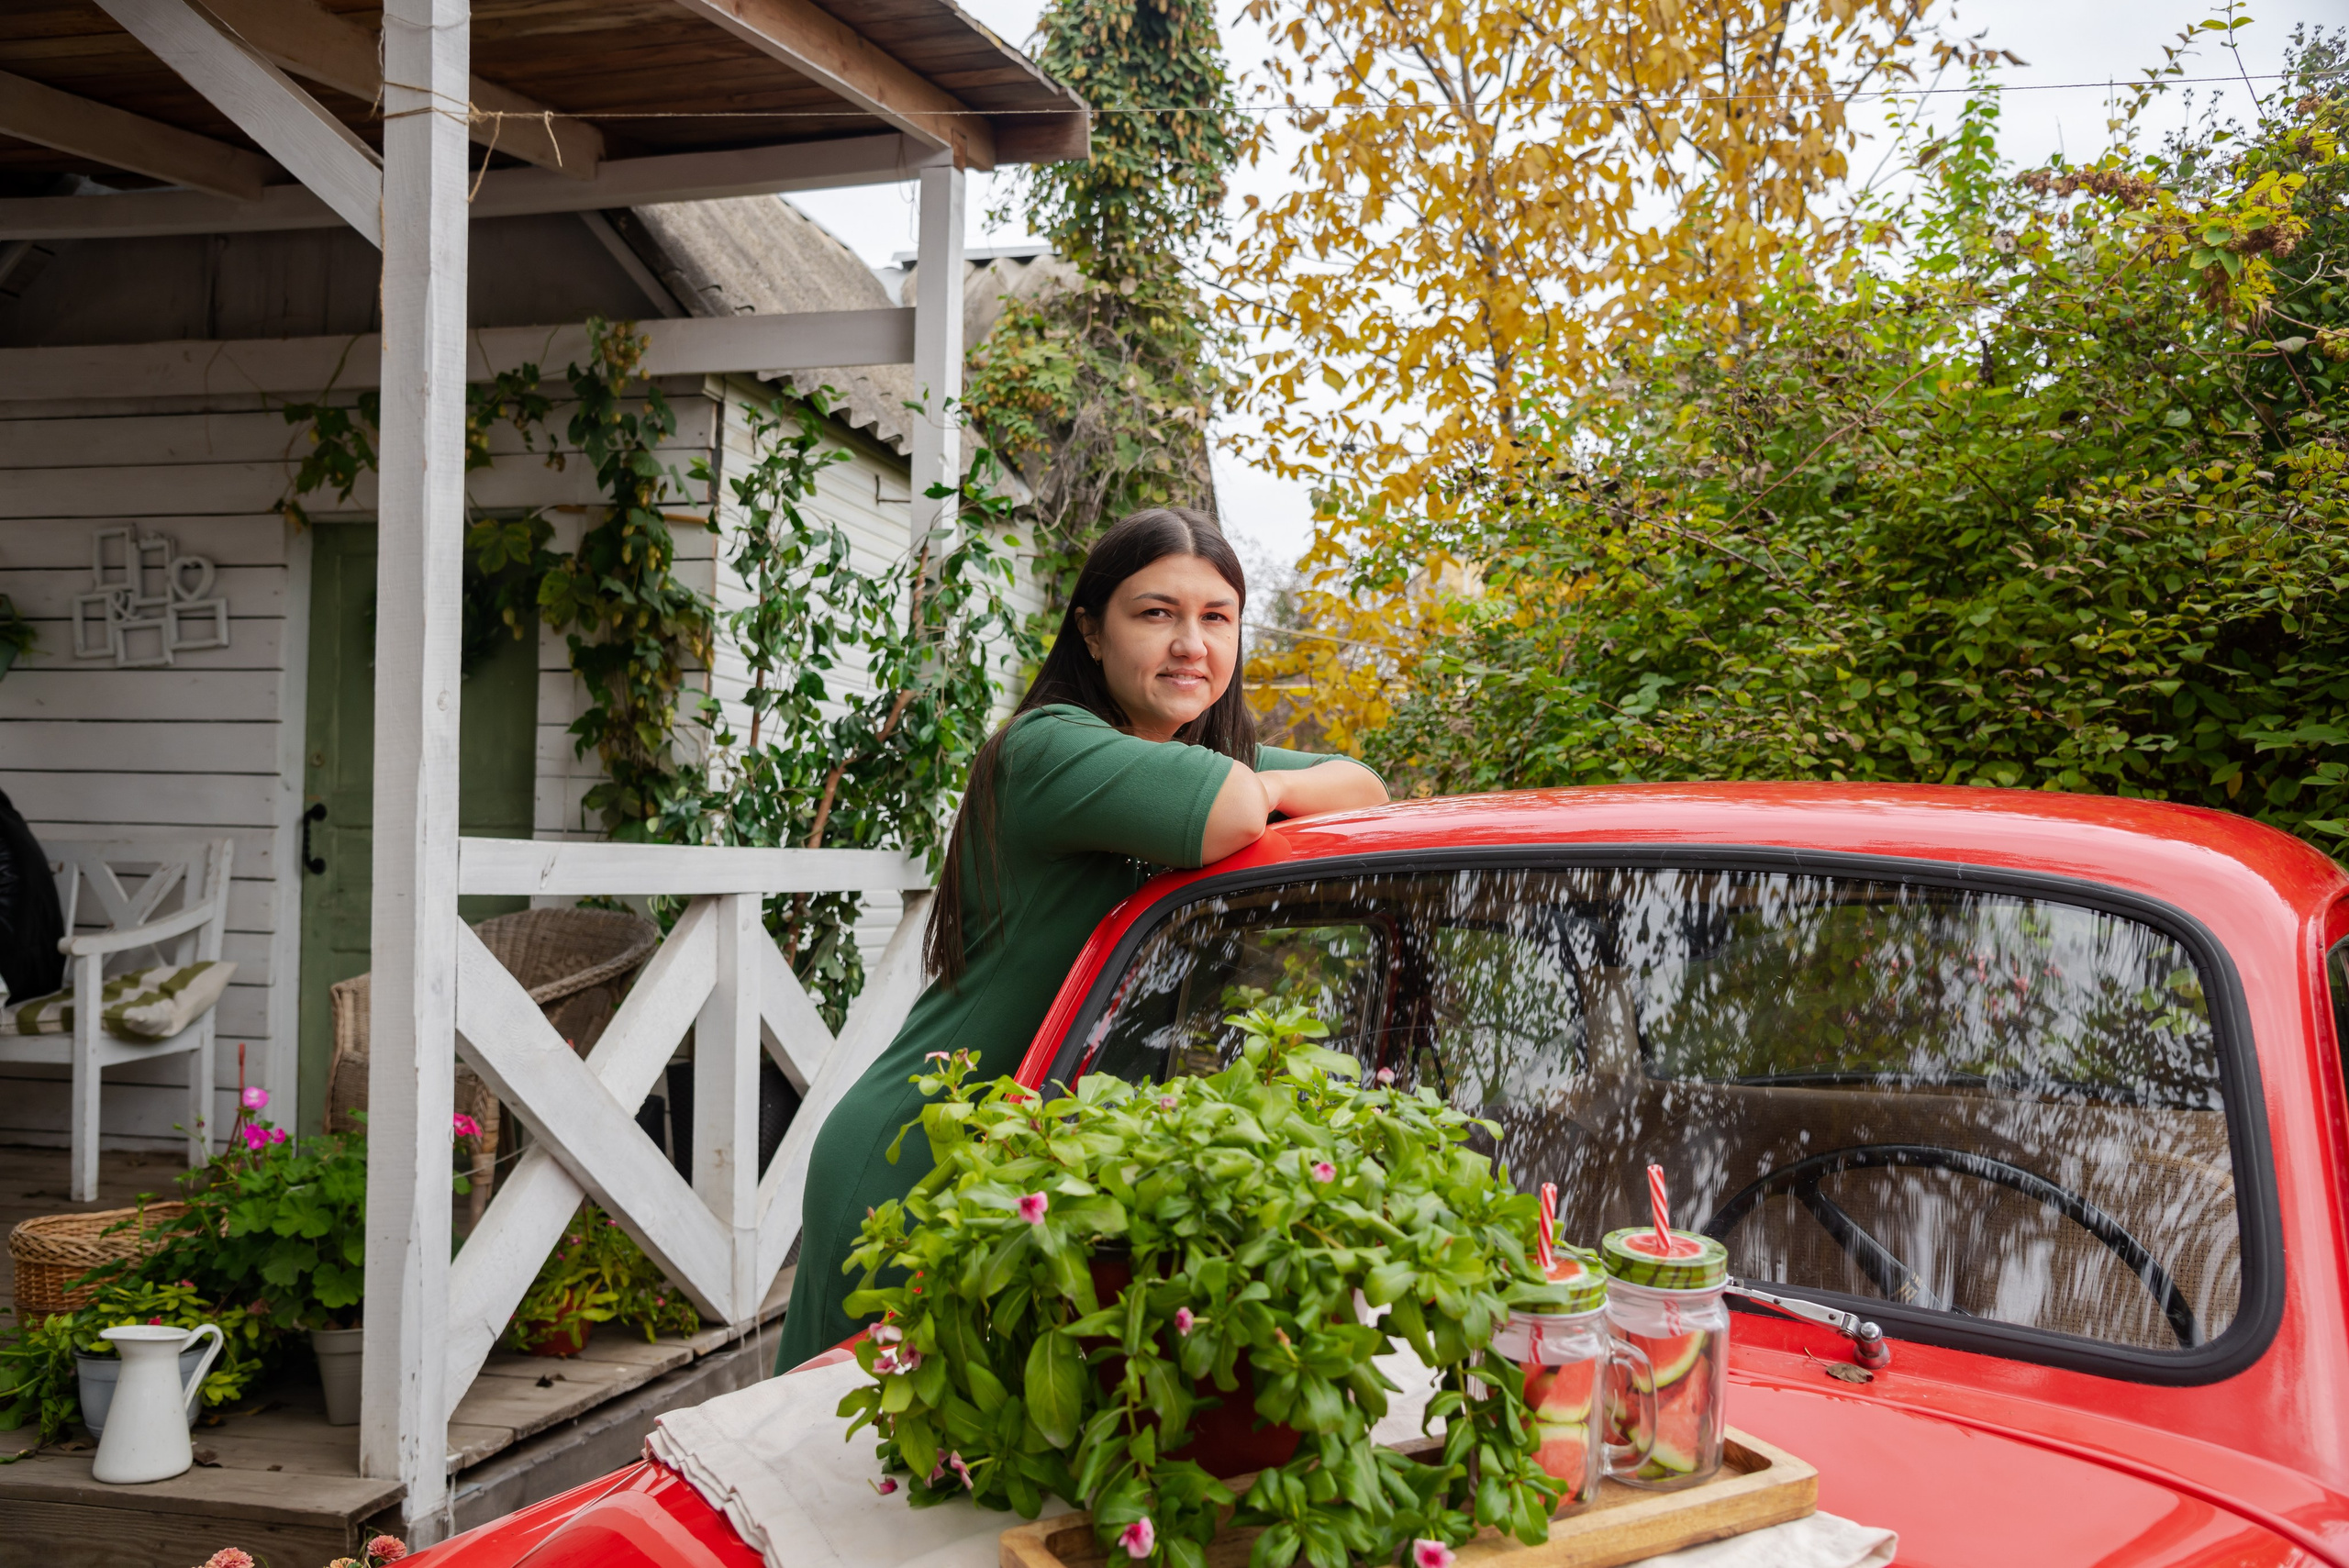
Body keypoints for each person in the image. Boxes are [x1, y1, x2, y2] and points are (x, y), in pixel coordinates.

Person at [774, 506, 1387, 1370]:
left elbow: (1365, 789)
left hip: (1042, 1178)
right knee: (848, 1460)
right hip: (921, 1157)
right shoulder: (1049, 747)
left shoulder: (1198, 754)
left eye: (1217, 618)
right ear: (1091, 633)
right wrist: (1265, 788)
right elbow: (1235, 808)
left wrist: (1256, 777)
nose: (1191, 643)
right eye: (1156, 613)